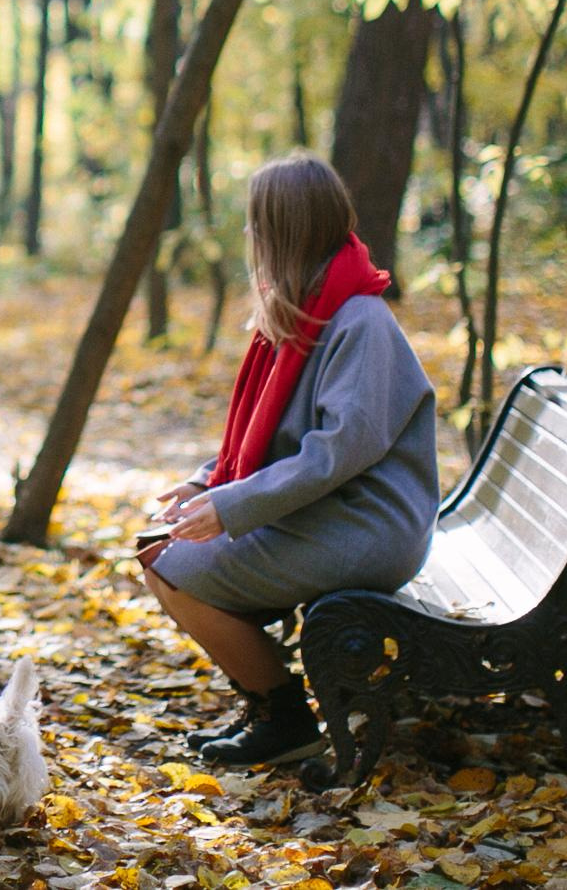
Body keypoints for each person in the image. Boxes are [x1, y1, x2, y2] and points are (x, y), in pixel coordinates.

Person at [136, 153, 438, 768]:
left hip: (368, 524)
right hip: (332, 511)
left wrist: (231, 506)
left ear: (283, 232)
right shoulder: (308, 308)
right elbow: (268, 433)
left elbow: (336, 452)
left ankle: (284, 719)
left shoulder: (358, 320)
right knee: (158, 550)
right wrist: (204, 482)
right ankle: (266, 706)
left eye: (258, 223)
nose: (250, 234)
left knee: (171, 568)